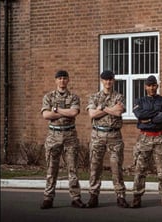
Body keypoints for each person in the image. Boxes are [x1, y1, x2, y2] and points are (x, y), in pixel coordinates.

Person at [40, 70, 86, 209]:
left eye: (64, 78)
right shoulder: (48, 96)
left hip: (70, 136)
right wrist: (62, 112)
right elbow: (46, 115)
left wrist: (56, 110)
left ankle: (75, 198)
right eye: (59, 78)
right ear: (56, 80)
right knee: (51, 169)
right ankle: (48, 198)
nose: (62, 81)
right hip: (53, 135)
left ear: (68, 80)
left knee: (72, 169)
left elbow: (73, 113)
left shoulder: (73, 97)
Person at [85, 70, 129, 208]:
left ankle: (120, 196)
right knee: (95, 166)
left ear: (113, 80)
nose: (108, 82)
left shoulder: (119, 96)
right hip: (97, 135)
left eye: (110, 79)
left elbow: (119, 111)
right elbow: (92, 114)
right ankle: (93, 195)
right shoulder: (94, 97)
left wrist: (102, 108)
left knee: (116, 167)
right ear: (101, 80)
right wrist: (110, 108)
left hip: (114, 136)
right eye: (105, 79)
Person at [130, 75, 162, 208]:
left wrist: (149, 119)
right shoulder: (139, 101)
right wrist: (156, 114)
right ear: (145, 87)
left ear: (157, 86)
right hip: (144, 138)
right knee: (140, 169)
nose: (152, 88)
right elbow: (139, 115)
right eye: (149, 85)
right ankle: (137, 197)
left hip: (160, 138)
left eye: (154, 85)